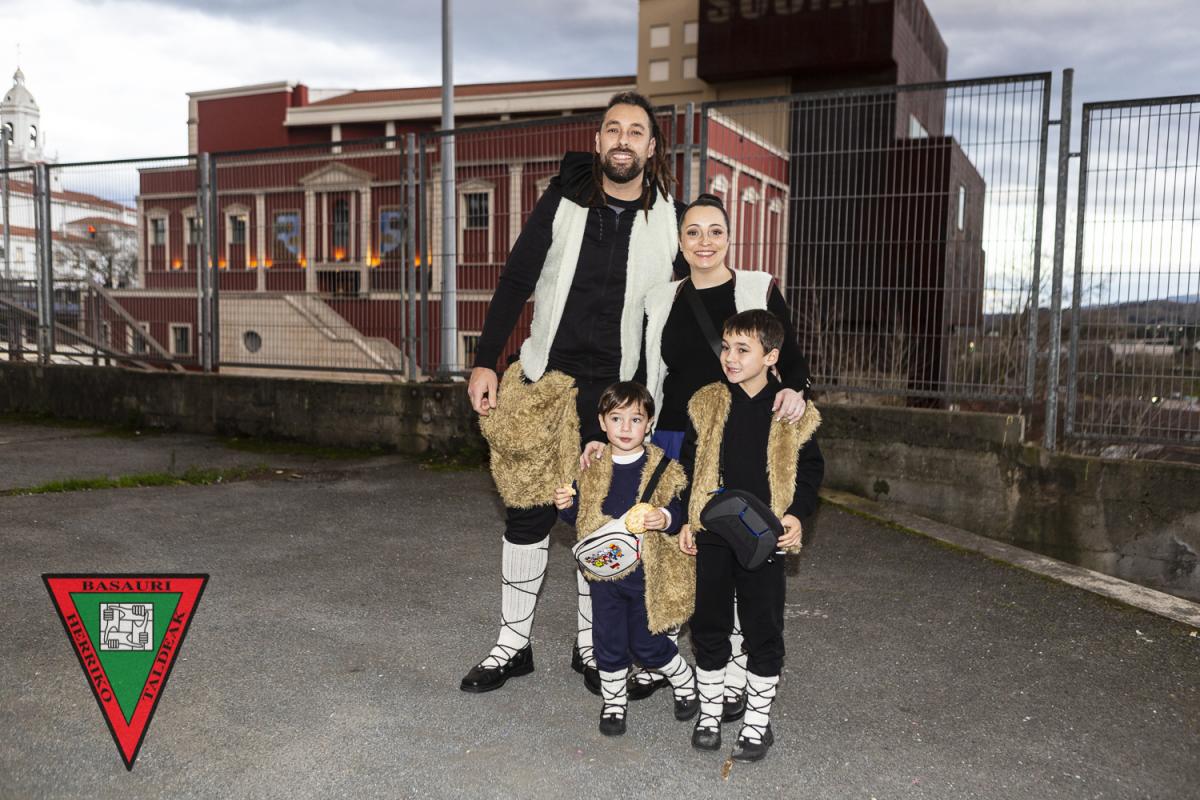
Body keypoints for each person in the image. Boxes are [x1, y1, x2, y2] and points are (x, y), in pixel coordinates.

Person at [460, 91, 688, 696]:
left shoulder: (669, 216)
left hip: (617, 396)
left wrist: (777, 371)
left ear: (651, 147)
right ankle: (513, 645)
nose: (622, 140)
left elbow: (697, 296)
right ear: (597, 141)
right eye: (613, 129)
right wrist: (485, 362)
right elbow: (517, 277)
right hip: (546, 379)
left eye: (635, 131)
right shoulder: (563, 198)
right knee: (528, 512)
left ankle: (593, 647)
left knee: (602, 517)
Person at [582, 193, 811, 716]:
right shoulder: (660, 299)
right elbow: (644, 375)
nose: (704, 241)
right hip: (673, 438)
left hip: (739, 440)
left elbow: (792, 361)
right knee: (670, 552)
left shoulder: (757, 288)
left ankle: (734, 673)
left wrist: (795, 393)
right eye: (692, 232)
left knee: (735, 548)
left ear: (729, 237)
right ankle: (662, 656)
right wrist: (611, 431)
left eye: (714, 231)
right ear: (680, 243)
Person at [678, 309, 824, 762]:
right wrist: (686, 520)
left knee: (763, 627)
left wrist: (797, 515)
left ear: (771, 356)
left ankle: (758, 722)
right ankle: (710, 712)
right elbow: (688, 466)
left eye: (743, 349)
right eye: (726, 347)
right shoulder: (706, 403)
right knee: (709, 623)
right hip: (713, 530)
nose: (731, 357)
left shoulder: (790, 409)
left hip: (765, 535)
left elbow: (811, 470)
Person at [554, 381, 698, 735]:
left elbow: (680, 510)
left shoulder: (663, 467)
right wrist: (566, 506)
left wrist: (664, 517)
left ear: (649, 424)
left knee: (647, 645)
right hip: (604, 574)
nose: (625, 427)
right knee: (607, 640)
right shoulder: (590, 466)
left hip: (646, 576)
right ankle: (614, 702)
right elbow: (581, 520)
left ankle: (683, 678)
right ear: (602, 422)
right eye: (616, 418)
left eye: (636, 419)